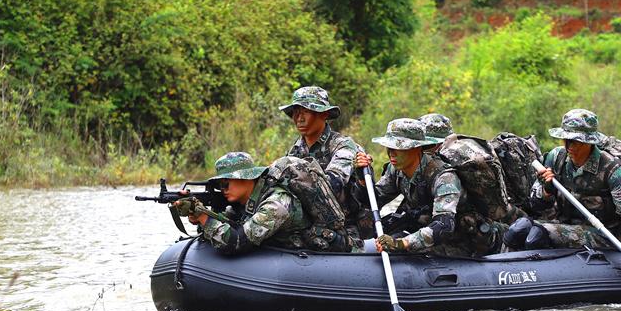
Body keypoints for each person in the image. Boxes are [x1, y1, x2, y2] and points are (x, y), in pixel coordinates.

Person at [528, 109, 621, 278]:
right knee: (522, 228)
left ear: (590, 142)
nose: (570, 148)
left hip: (604, 234)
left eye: (576, 142)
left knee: (538, 234)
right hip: (564, 223)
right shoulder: (555, 158)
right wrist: (546, 190)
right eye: (566, 140)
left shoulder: (611, 169)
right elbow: (534, 204)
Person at [353, 118, 499, 257]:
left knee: (403, 253)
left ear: (417, 148)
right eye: (389, 147)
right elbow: (373, 201)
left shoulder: (444, 177)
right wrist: (362, 178)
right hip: (425, 231)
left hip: (463, 239)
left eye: (399, 147)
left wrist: (402, 243)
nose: (392, 153)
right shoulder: (395, 169)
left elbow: (444, 226)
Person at [172, 151, 350, 255]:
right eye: (219, 185)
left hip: (326, 251)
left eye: (226, 183)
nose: (223, 189)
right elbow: (227, 226)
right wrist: (199, 215)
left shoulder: (276, 204)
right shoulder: (245, 203)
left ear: (247, 178)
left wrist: (204, 218)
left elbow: (236, 242)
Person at [279, 86, 368, 236]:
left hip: (346, 224)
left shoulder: (343, 145)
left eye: (306, 112)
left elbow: (333, 184)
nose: (299, 118)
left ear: (324, 114)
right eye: (296, 112)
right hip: (310, 221)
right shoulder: (295, 150)